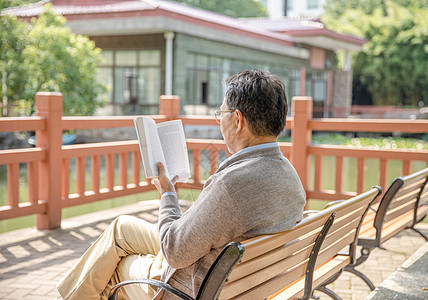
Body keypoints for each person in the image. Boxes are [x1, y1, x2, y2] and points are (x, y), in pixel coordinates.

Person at [57, 69, 306, 299]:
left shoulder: (232, 184)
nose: (219, 122)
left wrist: (167, 194)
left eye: (221, 114)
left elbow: (175, 252)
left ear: (238, 120)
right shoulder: (289, 174)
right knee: (120, 228)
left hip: (193, 285)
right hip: (245, 278)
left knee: (117, 267)